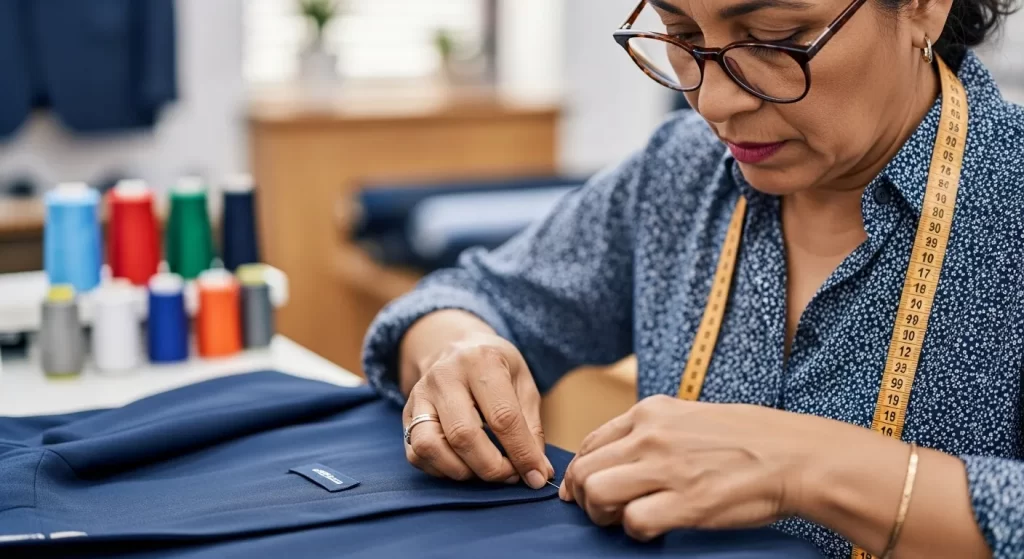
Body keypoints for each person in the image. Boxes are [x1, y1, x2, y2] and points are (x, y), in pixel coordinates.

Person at [361, 0, 1024, 556]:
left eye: (775, 39)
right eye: (681, 35)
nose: (713, 100)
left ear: (923, 6)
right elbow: (469, 297)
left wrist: (806, 467)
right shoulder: (679, 176)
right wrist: (455, 347)